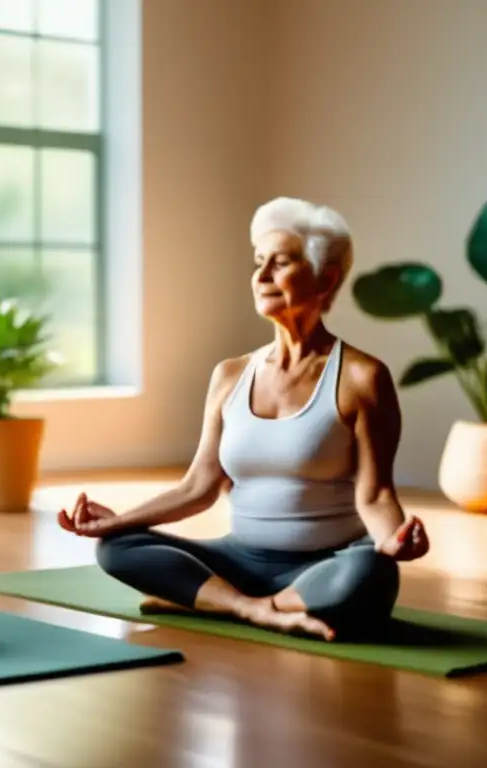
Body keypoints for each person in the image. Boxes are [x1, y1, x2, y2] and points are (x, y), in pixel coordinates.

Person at [58, 197, 430, 642]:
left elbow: (376, 495)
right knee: (119, 550)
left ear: (325, 279)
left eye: (281, 262)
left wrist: (392, 541)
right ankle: (256, 610)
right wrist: (114, 523)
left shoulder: (362, 378)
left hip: (327, 563)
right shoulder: (230, 375)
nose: (262, 276)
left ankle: (215, 601)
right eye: (259, 262)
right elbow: (197, 487)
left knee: (371, 571)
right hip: (239, 561)